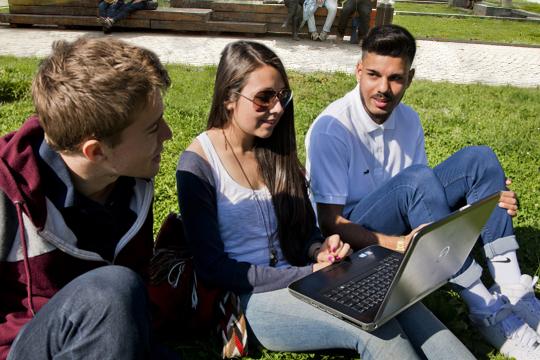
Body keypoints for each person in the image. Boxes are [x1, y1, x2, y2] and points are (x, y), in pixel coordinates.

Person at [176, 40, 476, 359]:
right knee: (376, 329)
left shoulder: (275, 149)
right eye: (264, 97)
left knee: (399, 304)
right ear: (229, 99)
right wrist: (307, 274)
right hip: (253, 298)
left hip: (305, 276)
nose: (277, 108)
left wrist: (318, 249)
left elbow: (307, 230)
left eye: (282, 96)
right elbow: (214, 268)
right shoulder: (198, 165)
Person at [306, 24, 540, 360]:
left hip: (406, 216)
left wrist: (481, 205)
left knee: (481, 159)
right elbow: (330, 222)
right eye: (373, 75)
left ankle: (513, 288)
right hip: (356, 243)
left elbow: (425, 199)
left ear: (410, 78)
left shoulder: (409, 120)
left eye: (396, 78)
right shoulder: (333, 128)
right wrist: (400, 244)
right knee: (415, 178)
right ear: (358, 71)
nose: (383, 88)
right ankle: (483, 306)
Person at [0, 37, 177, 359]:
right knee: (111, 289)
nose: (169, 134)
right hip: (26, 346)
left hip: (106, 334)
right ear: (96, 152)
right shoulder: (6, 198)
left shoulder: (132, 184)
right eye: (153, 128)